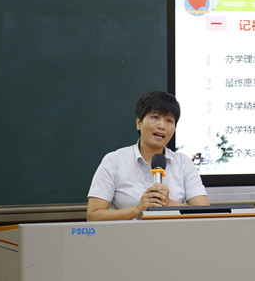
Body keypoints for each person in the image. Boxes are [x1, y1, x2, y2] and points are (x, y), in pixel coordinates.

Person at [86, 91, 209, 221]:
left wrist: (168, 203)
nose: (162, 126)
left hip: (173, 233)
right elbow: (93, 216)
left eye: (169, 120)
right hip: (128, 233)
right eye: (155, 117)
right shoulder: (114, 161)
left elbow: (205, 214)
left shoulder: (184, 163)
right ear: (139, 123)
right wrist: (137, 210)